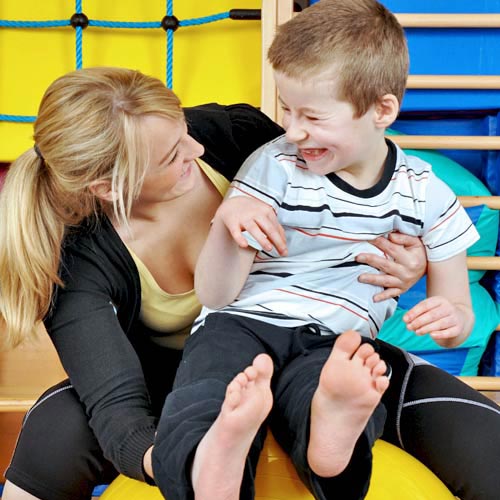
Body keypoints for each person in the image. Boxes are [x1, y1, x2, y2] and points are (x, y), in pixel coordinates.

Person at [0, 66, 422, 500]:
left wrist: (409, 259)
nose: (196, 148)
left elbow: (361, 204)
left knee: (422, 404)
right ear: (108, 188)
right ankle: (208, 458)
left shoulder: (232, 135)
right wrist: (183, 462)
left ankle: (327, 431)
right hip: (183, 385)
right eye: (172, 156)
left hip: (307, 345)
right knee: (59, 423)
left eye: (183, 128)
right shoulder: (73, 256)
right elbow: (117, 405)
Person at [151, 2, 500, 500]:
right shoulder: (273, 165)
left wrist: (452, 318)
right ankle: (212, 456)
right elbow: (215, 293)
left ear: (382, 111)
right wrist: (228, 225)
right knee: (206, 388)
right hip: (242, 321)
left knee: (334, 388)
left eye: (312, 116)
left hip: (334, 340)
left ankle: (330, 438)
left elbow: (458, 314)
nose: (293, 130)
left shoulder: (427, 195)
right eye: (287, 110)